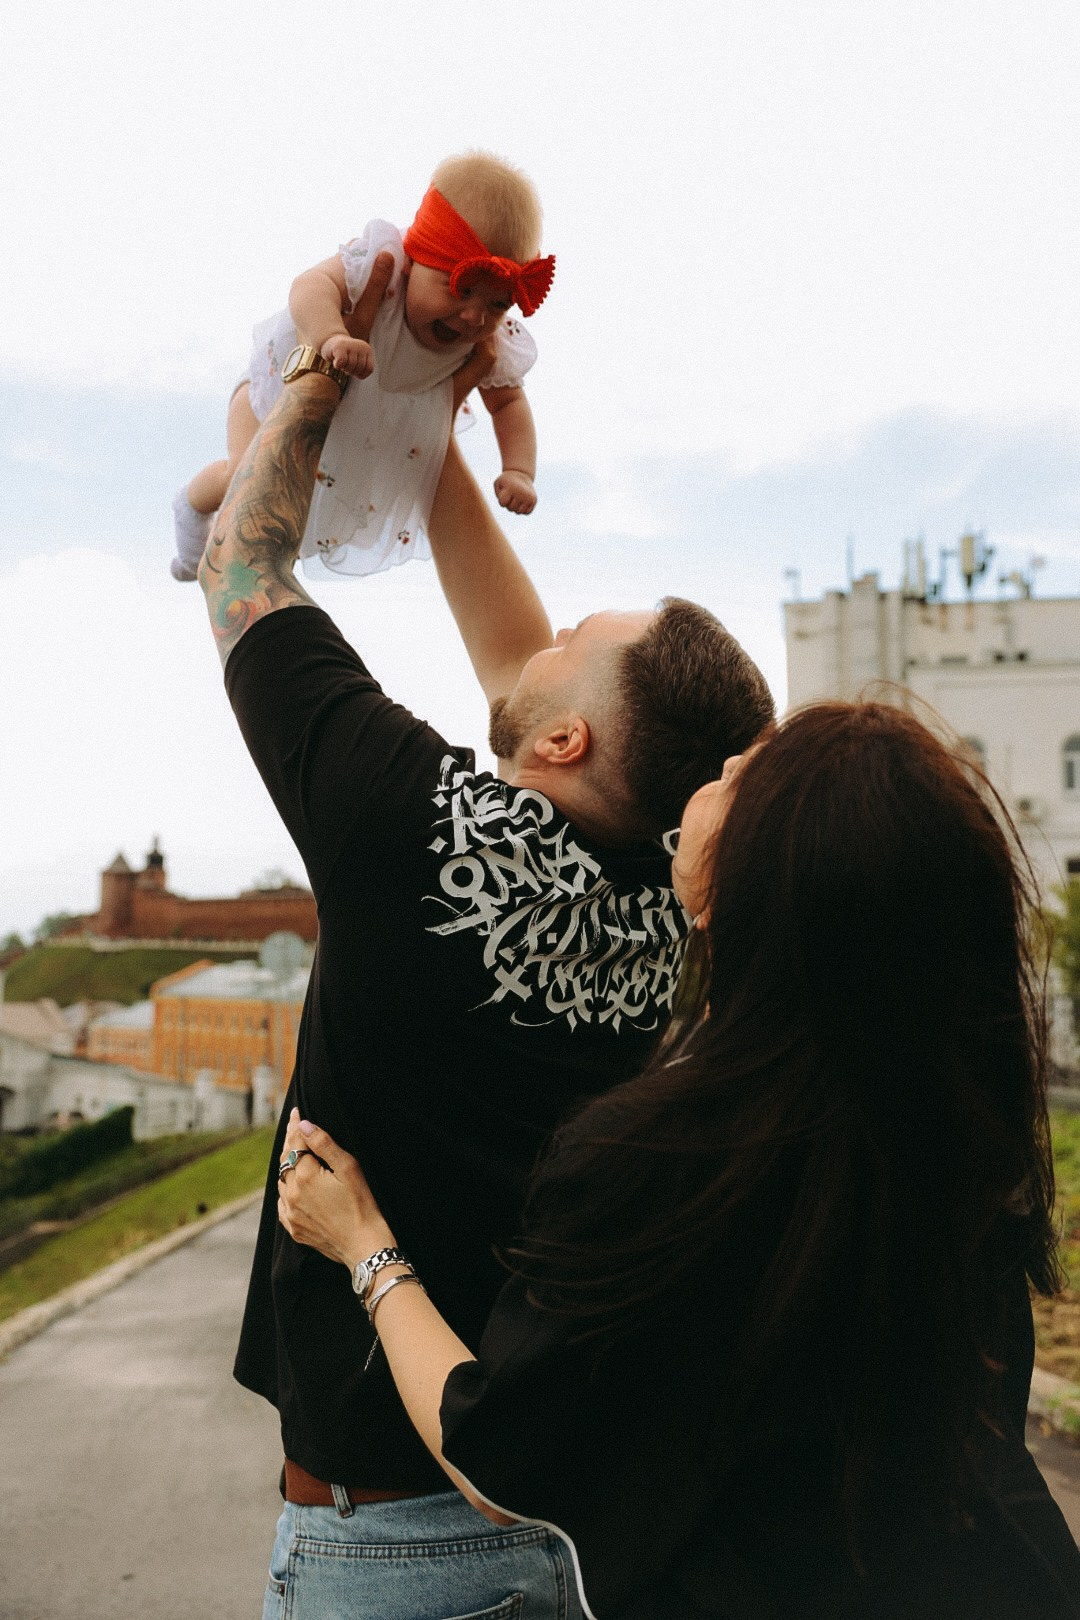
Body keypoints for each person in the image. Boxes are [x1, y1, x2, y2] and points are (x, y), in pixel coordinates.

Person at [197, 251, 775, 1616]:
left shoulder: (411, 823)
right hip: (551, 1517)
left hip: (380, 1542)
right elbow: (539, 685)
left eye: (577, 632)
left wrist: (328, 370)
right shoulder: (675, 909)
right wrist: (441, 431)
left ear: (566, 736)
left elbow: (242, 558)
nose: (548, 627)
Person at [278, 702, 1080, 1620]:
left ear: (729, 893)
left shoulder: (667, 1161)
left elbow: (496, 1460)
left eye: (745, 780)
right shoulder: (956, 1123)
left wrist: (365, 1247)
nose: (728, 761)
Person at [174, 150, 553, 583]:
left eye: (498, 303)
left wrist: (519, 470)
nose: (474, 316)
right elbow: (311, 285)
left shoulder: (490, 341)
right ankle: (190, 512)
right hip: (276, 396)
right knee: (245, 482)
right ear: (415, 259)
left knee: (286, 525)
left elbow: (508, 405)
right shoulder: (382, 265)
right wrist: (332, 334)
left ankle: (239, 577)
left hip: (356, 440)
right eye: (460, 289)